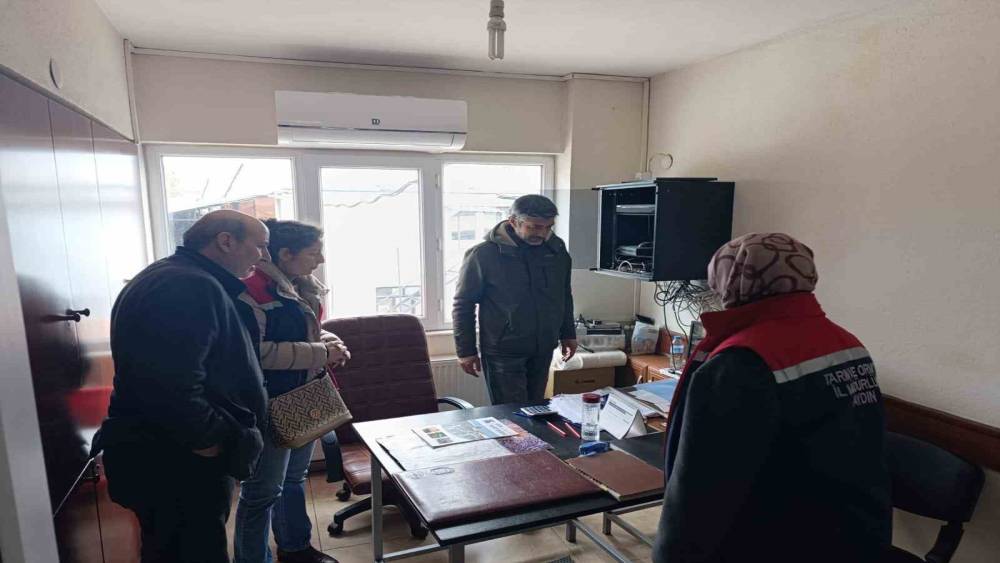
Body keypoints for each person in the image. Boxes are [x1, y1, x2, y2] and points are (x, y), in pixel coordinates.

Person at [652, 233, 891, 563]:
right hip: (855, 535)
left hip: (773, 541)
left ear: (730, 282)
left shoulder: (739, 363)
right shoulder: (848, 344)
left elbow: (703, 492)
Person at [95, 210, 271, 563]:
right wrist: (210, 441)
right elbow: (171, 386)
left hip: (168, 457)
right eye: (260, 245)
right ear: (226, 241)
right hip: (177, 464)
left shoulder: (176, 276)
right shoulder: (187, 286)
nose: (264, 256)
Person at [234, 219, 349, 563]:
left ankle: (295, 547)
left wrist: (330, 341)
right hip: (269, 401)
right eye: (313, 253)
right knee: (262, 492)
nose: (321, 260)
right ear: (285, 254)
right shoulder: (252, 289)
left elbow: (307, 331)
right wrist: (320, 353)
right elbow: (255, 352)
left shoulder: (297, 285)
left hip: (302, 394)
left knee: (294, 478)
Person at [452, 194, 578, 404]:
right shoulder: (484, 254)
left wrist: (568, 334)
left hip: (543, 347)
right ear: (513, 221)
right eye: (534, 227)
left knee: (536, 409)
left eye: (548, 227)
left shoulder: (556, 250)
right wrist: (466, 351)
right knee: (511, 415)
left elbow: (564, 294)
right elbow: (463, 303)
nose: (542, 233)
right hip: (504, 351)